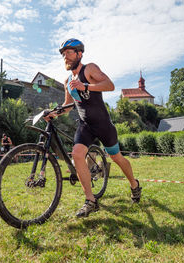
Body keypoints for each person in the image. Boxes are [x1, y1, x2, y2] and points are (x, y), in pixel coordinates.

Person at [45, 38, 142, 218]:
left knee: (117, 158)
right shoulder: (67, 80)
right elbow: (68, 106)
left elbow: (110, 85)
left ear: (79, 53)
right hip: (85, 125)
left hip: (103, 125)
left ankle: (134, 185)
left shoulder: (89, 68)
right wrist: (54, 113)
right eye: (63, 54)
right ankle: (91, 200)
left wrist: (85, 85)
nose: (65, 57)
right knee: (77, 153)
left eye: (68, 52)